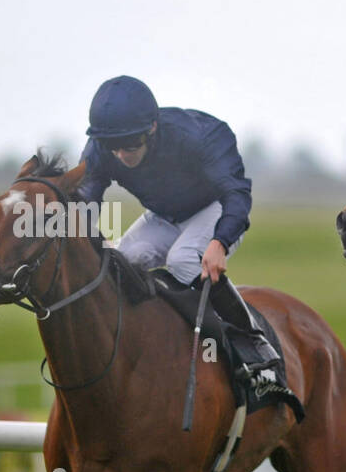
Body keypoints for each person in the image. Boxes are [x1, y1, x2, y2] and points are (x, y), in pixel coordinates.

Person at [76, 75, 279, 380]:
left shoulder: (201, 135)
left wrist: (220, 242)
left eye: (129, 144)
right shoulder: (101, 147)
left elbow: (236, 194)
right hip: (162, 216)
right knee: (122, 262)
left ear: (152, 128)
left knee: (183, 258)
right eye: (111, 146)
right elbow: (85, 200)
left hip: (214, 209)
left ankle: (250, 338)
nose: (119, 154)